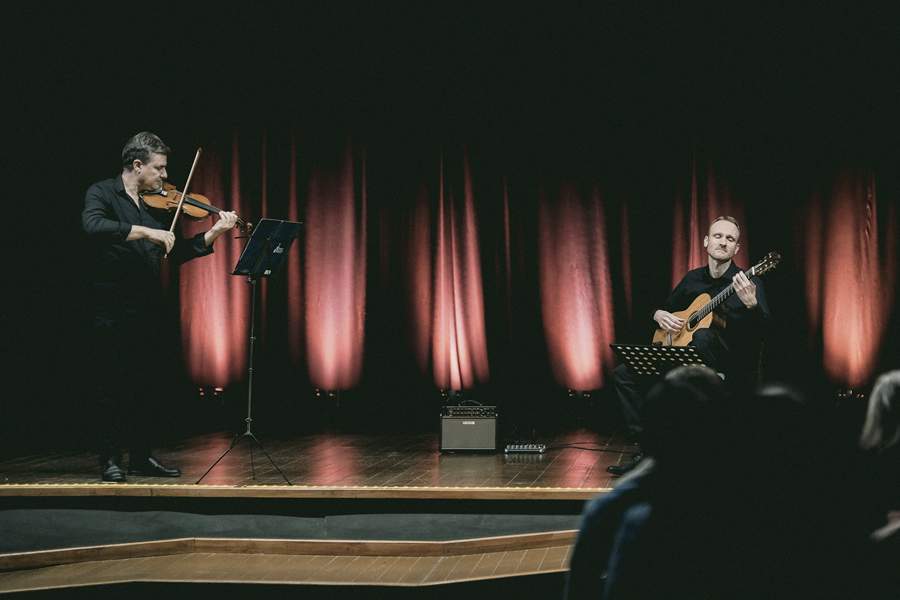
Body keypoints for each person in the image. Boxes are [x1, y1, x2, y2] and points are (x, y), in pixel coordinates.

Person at [82, 131, 238, 482]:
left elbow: (174, 251)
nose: (165, 176)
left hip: (147, 307)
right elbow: (93, 225)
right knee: (111, 387)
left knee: (144, 387)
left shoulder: (154, 204)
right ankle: (110, 459)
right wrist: (146, 231)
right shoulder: (102, 192)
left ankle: (140, 458)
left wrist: (215, 232)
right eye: (159, 168)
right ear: (137, 165)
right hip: (109, 308)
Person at [608, 216, 770, 476]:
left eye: (730, 239)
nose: (723, 242)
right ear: (706, 241)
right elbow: (667, 312)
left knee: (704, 335)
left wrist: (752, 305)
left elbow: (764, 331)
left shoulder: (748, 282)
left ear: (737, 248)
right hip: (683, 359)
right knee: (624, 373)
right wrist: (657, 314)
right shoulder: (693, 279)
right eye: (718, 236)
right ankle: (647, 449)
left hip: (727, 365)